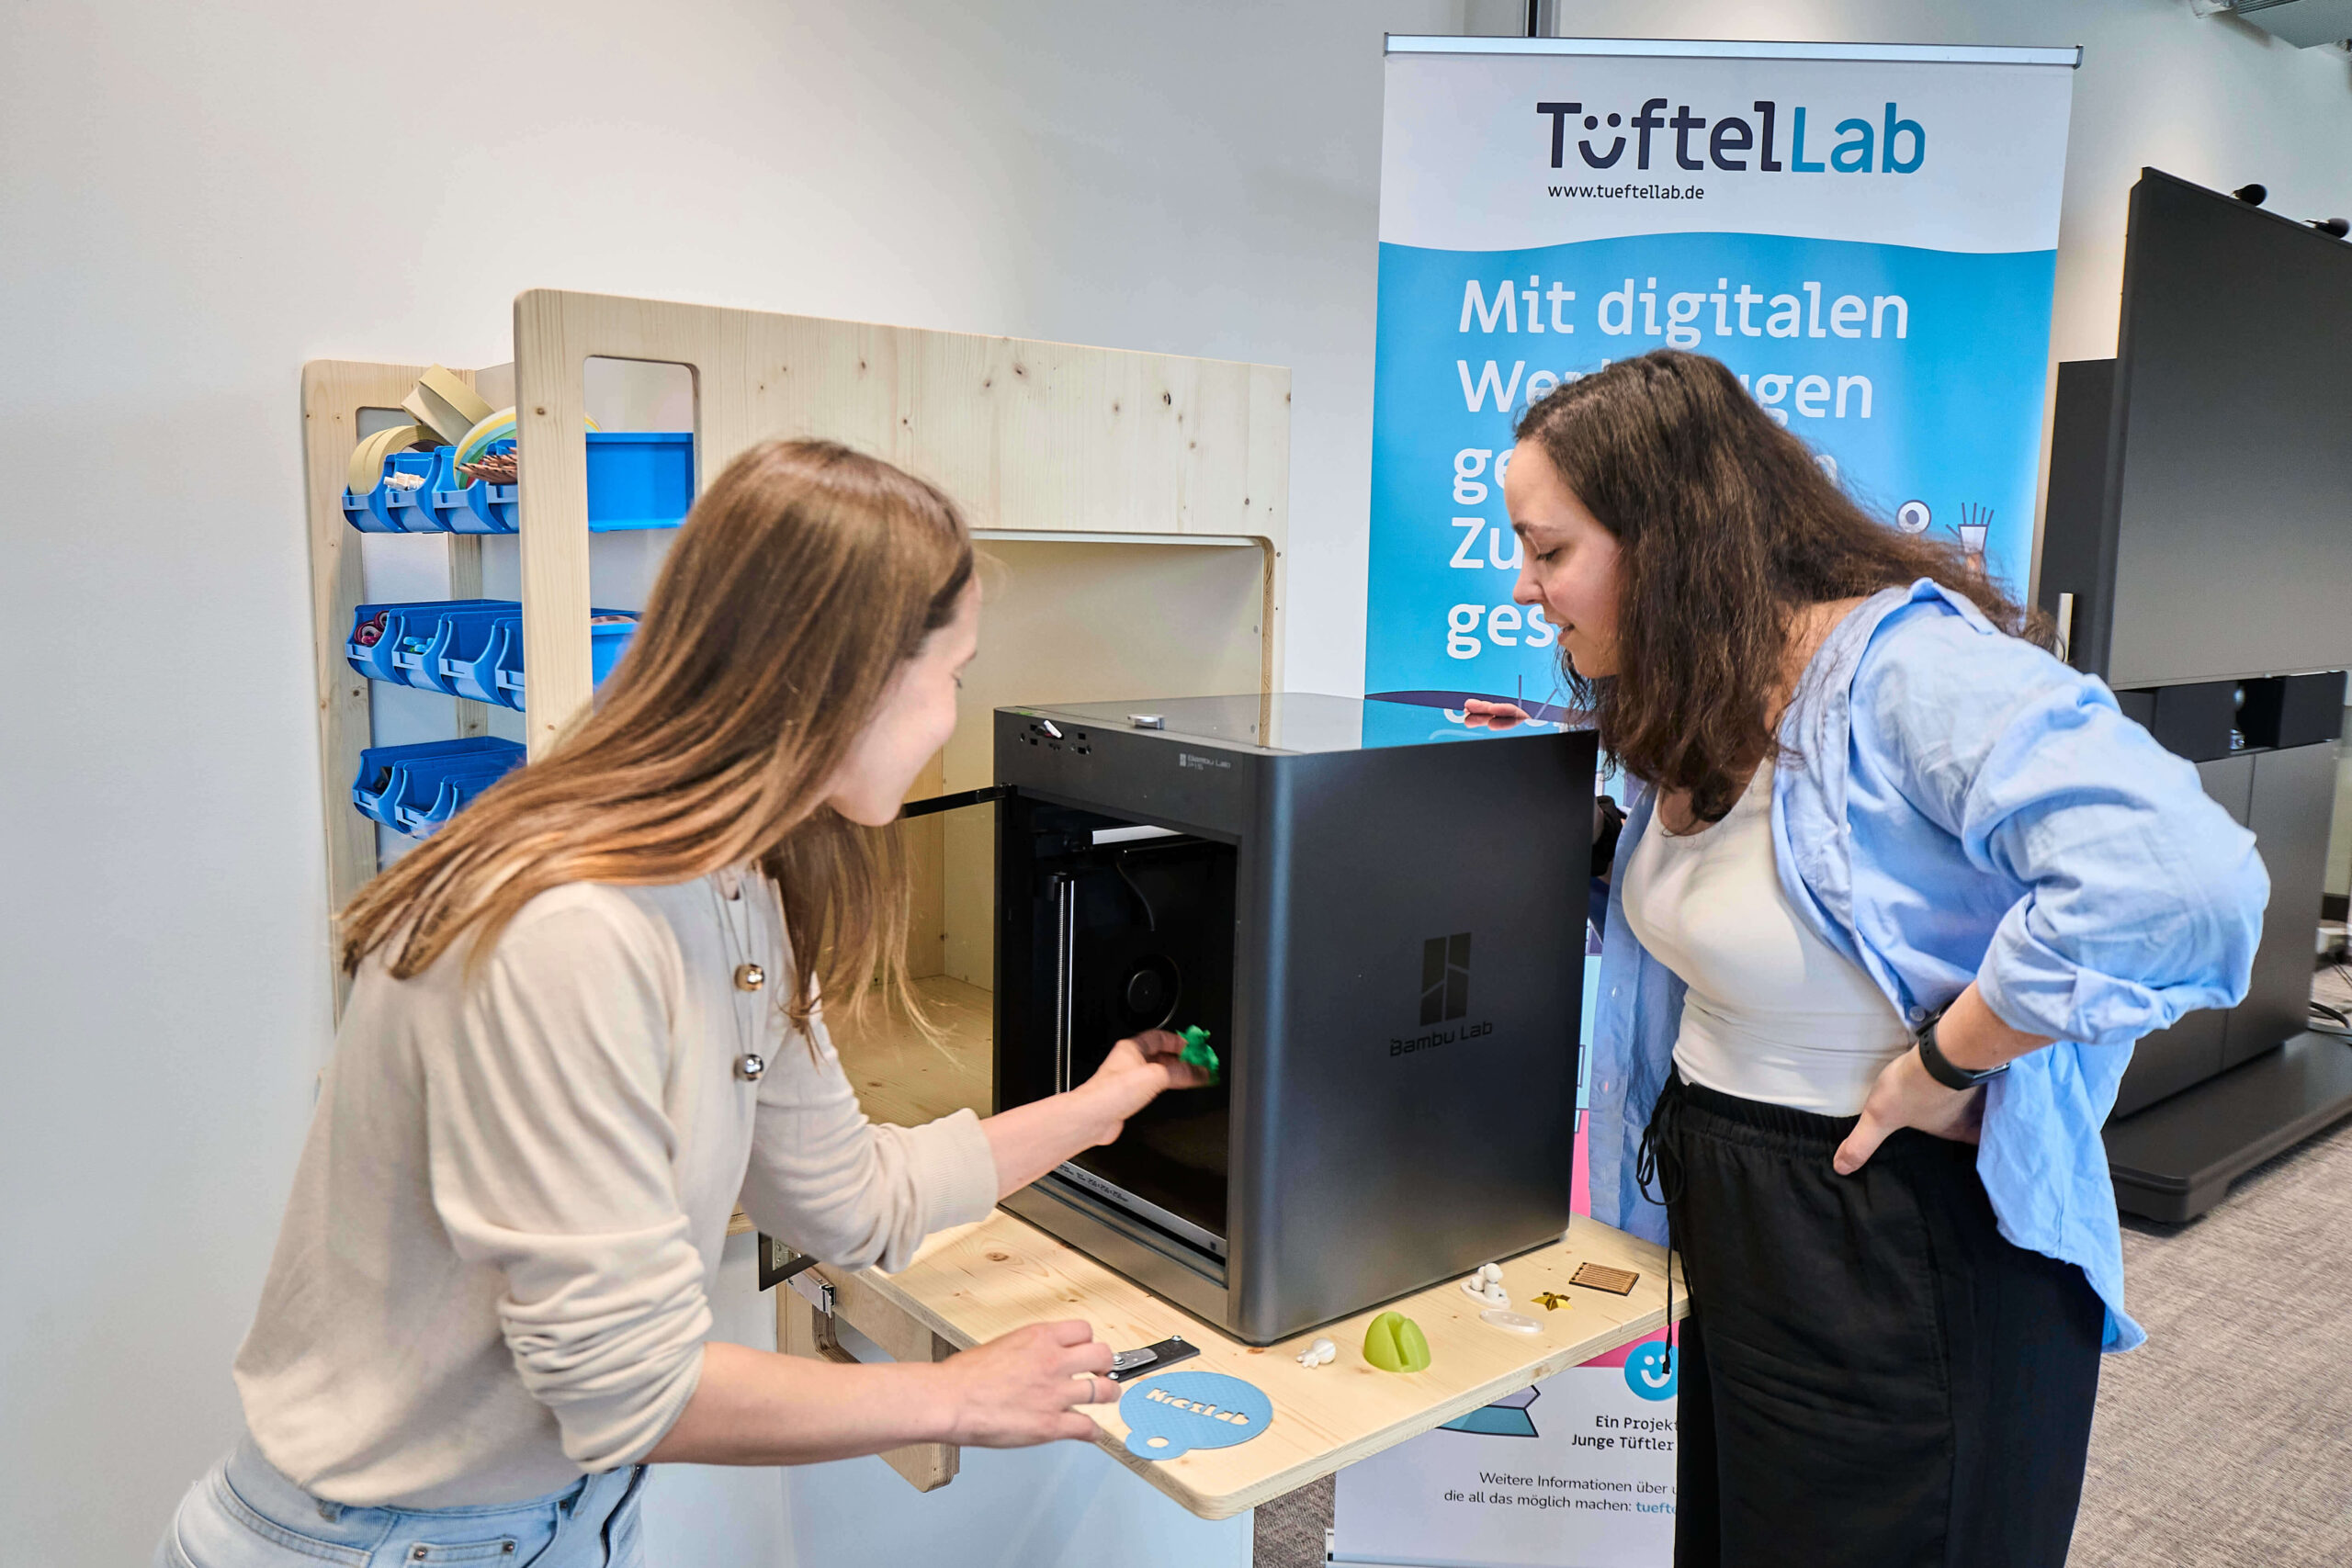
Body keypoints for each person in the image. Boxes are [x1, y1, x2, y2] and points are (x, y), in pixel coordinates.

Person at [154, 439, 1208, 1568]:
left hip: (555, 1520)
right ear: (851, 677)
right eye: (951, 674)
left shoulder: (736, 887)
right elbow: (630, 1390)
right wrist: (956, 1397)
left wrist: (1098, 1106)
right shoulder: (567, 930)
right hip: (378, 1542)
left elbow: (850, 1201)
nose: (952, 713)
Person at [1471, 350, 2267, 1567]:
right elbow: (1768, 910)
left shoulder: (1912, 672)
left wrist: (1951, 1059)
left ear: (1670, 540)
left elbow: (2182, 882)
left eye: (1546, 549)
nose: (1524, 585)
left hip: (1892, 1243)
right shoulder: (1709, 686)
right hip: (1740, 1222)